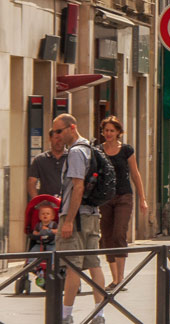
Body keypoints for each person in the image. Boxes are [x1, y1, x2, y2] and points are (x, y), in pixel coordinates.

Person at [52, 113, 106, 324]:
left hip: (77, 218)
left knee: (72, 264)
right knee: (94, 264)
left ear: (71, 128)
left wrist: (68, 221)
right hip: (92, 214)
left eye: (59, 131)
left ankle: (65, 316)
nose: (56, 136)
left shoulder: (75, 152)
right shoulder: (90, 149)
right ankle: (99, 315)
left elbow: (78, 187)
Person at [96, 116, 149, 291]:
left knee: (119, 232)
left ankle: (121, 278)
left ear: (119, 132)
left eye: (112, 130)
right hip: (105, 198)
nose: (108, 133)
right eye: (106, 130)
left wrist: (142, 198)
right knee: (107, 235)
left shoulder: (126, 150)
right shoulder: (98, 150)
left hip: (124, 196)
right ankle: (115, 278)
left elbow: (135, 174)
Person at [28, 129, 67, 198]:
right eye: (56, 138)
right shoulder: (40, 159)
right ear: (50, 138)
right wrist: (37, 202)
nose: (59, 142)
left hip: (67, 203)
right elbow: (31, 183)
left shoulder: (72, 157)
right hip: (46, 204)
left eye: (61, 139)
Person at [29, 203, 58, 288]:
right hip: (40, 243)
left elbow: (57, 231)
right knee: (34, 250)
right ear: (39, 216)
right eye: (43, 214)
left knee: (54, 251)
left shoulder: (53, 224)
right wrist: (38, 233)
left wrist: (49, 230)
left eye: (47, 214)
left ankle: (52, 265)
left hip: (51, 243)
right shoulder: (38, 225)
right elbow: (34, 232)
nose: (45, 215)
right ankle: (31, 264)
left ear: (52, 216)